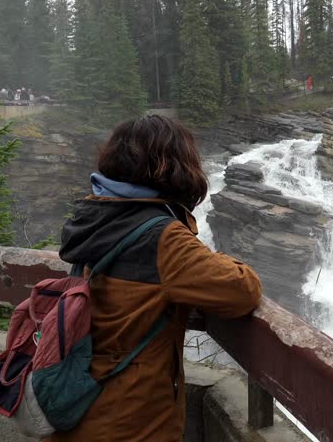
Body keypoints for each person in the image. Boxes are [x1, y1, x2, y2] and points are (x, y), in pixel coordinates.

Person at [51, 115, 262, 441]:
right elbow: (242, 290)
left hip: (77, 407)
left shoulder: (95, 213)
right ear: (175, 166)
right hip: (127, 421)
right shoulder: (161, 237)